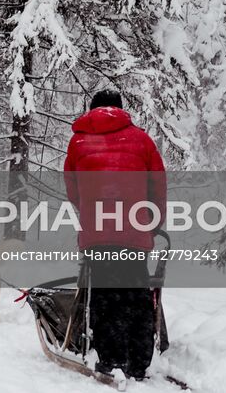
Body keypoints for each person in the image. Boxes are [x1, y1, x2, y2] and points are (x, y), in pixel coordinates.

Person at [62, 89, 166, 382]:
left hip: (98, 235)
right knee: (136, 295)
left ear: (92, 109)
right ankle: (138, 362)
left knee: (105, 295)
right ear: (121, 109)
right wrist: (153, 222)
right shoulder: (141, 139)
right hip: (135, 231)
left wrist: (90, 213)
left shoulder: (79, 141)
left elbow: (73, 189)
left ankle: (110, 358)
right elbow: (157, 186)